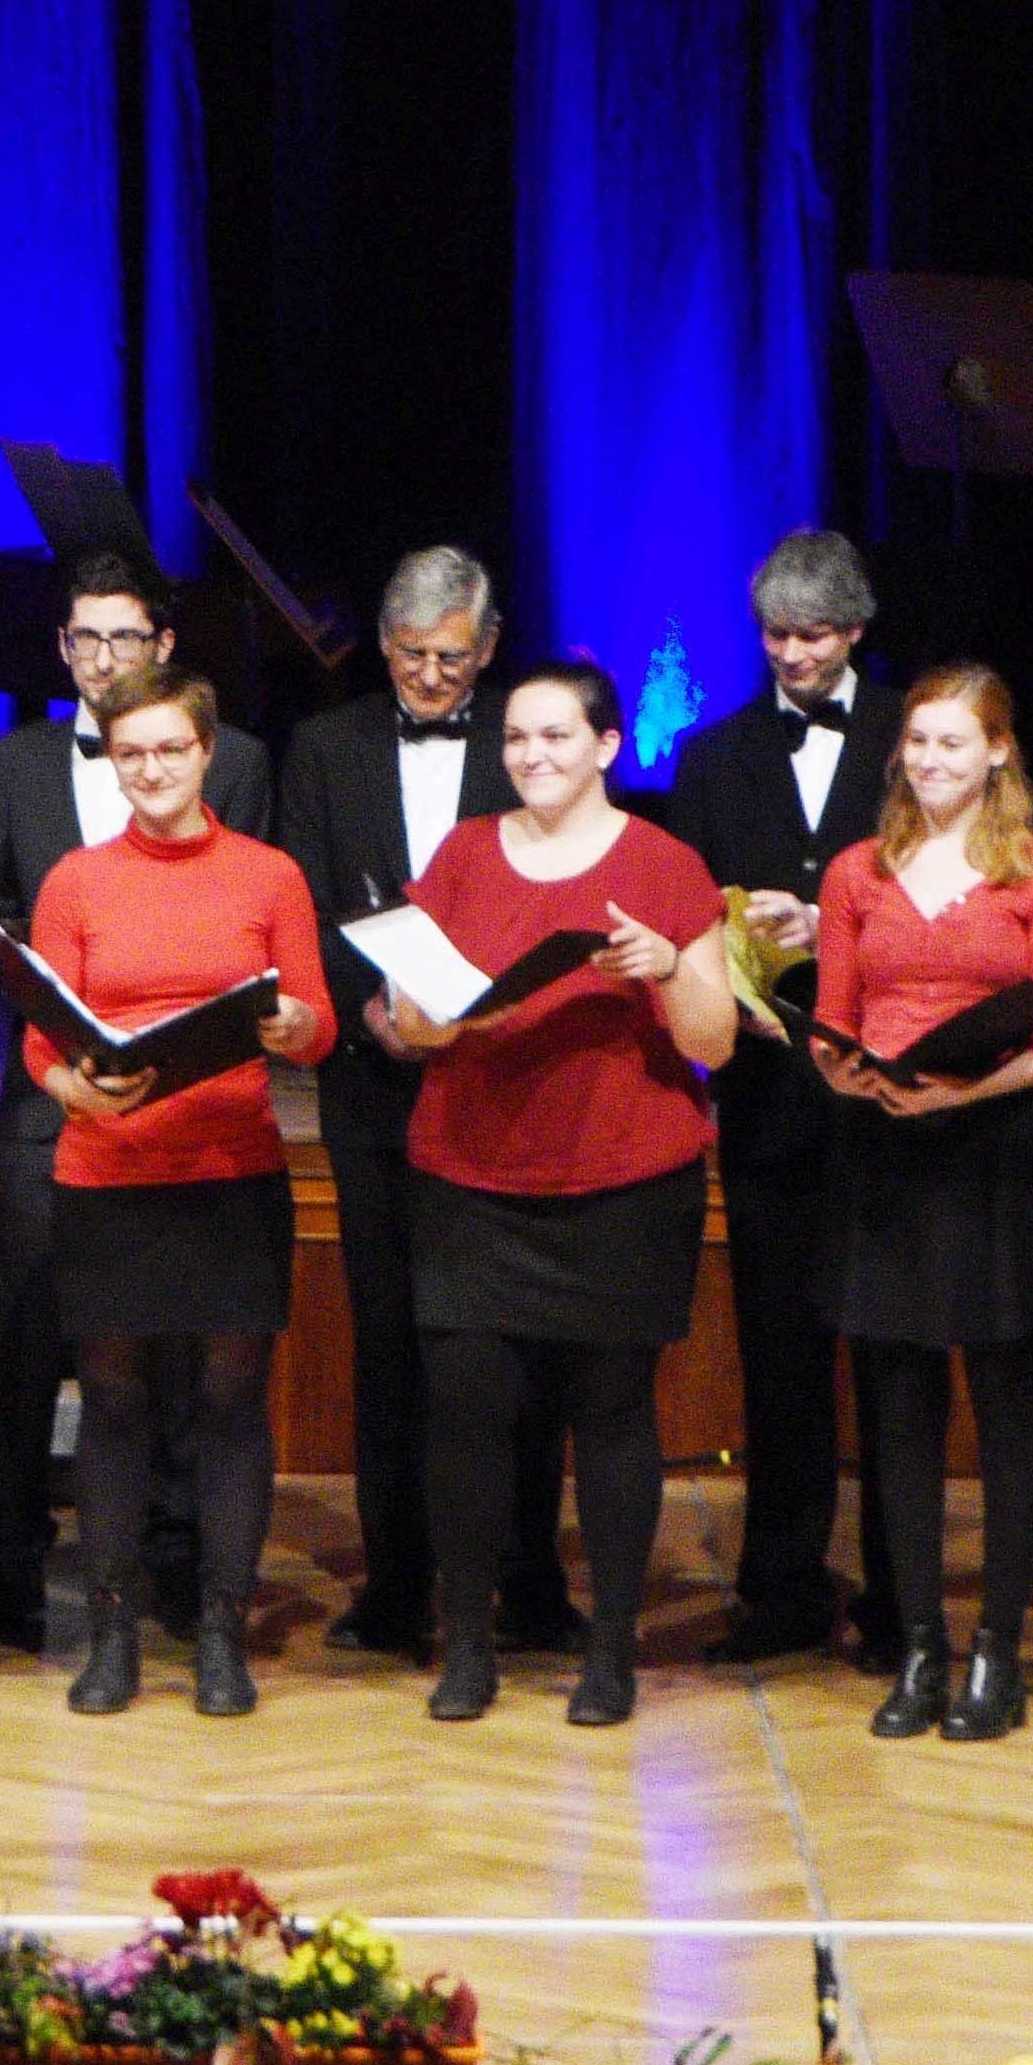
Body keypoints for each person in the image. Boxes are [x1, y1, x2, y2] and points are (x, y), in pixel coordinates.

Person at [364, 660, 731, 1725]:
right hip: (471, 1176)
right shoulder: (464, 853)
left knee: (611, 1414)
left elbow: (710, 1042)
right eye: (516, 737)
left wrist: (666, 966)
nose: (530, 755)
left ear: (607, 745)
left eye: (555, 736)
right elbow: (409, 1021)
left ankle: (607, 1652)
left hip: (622, 1175)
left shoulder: (662, 862)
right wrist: (452, 1012)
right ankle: (467, 1644)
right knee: (467, 1415)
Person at [0, 558, 272, 1652]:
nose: (102, 660)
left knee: (182, 1342)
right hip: (55, 1093)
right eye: (83, 640)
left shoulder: (232, 762)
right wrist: (43, 993)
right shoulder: (20, 759)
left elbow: (252, 917)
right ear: (61, 650)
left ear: (163, 648)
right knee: (29, 1331)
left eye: (123, 639)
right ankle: (10, 1560)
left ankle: (179, 1561)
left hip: (188, 1102)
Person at [268, 548, 563, 1664]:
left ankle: (529, 1585)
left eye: (451, 657)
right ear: (378, 647)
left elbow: (556, 898)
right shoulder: (327, 747)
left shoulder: (523, 742)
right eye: (409, 656)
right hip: (374, 1091)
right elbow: (305, 897)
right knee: (387, 1345)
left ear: (488, 649)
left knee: (515, 1345)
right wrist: (375, 1016)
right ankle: (393, 1587)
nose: (431, 677)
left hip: (506, 1091)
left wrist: (474, 1024)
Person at [21, 669, 335, 1717]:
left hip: (229, 1174)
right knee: (111, 1401)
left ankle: (218, 1632)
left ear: (207, 754)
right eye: (128, 754)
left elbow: (315, 1021)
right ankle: (108, 1636)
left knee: (227, 1403)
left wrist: (291, 1028)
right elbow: (38, 1036)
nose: (148, 770)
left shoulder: (269, 875)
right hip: (107, 1174)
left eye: (168, 749)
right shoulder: (73, 878)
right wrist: (78, 1089)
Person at [809, 663, 1033, 1742]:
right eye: (916, 743)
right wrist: (840, 1068)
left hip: (995, 1152)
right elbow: (831, 1014)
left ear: (996, 753)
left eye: (952, 742)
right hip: (886, 1150)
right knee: (896, 1412)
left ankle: (998, 1652)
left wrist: (969, 1085)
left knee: (1005, 1408)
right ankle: (920, 1644)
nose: (930, 760)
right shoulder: (857, 870)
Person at [662, 529, 906, 1669]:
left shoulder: (919, 739)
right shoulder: (711, 759)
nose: (792, 655)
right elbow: (682, 912)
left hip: (900, 1091)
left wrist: (840, 925)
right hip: (768, 1095)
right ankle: (780, 1586)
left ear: (854, 628)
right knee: (779, 1355)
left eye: (812, 635)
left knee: (895, 1359)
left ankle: (903, 1594)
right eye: (774, 635)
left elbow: (974, 891)